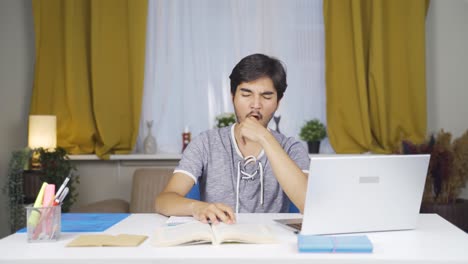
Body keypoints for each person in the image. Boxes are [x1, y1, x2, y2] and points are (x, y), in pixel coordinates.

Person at [155, 53, 310, 224]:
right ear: (232, 96)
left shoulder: (292, 147)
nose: (256, 105)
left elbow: (308, 204)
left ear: (278, 102)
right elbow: (164, 200)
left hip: (272, 243)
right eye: (246, 94)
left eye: (266, 96)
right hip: (219, 241)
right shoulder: (206, 142)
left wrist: (265, 138)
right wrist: (197, 207)